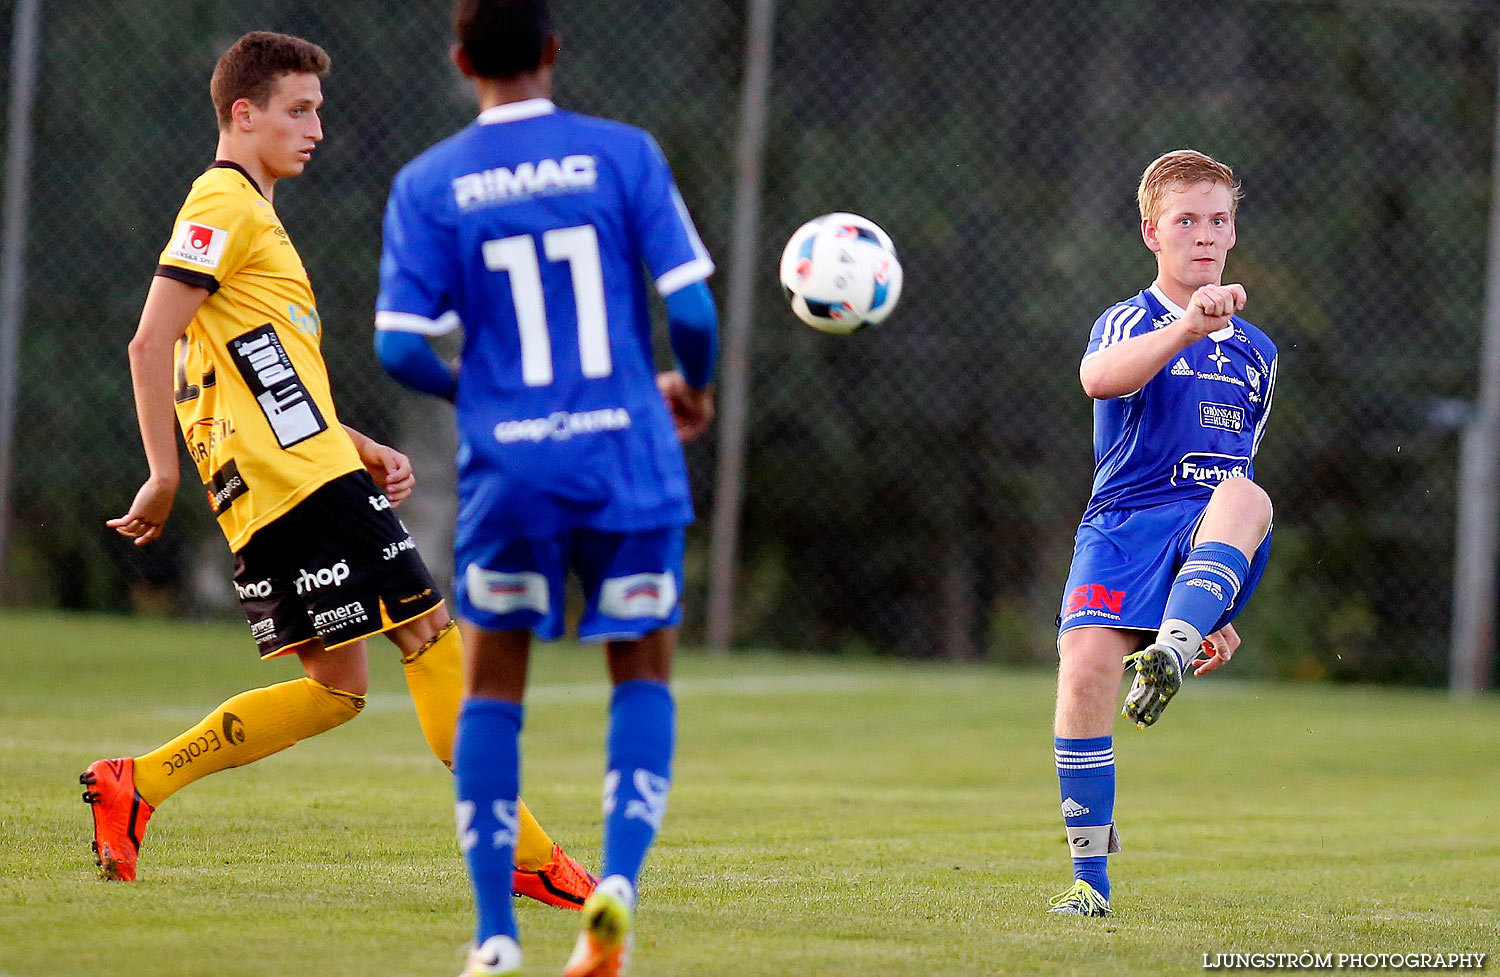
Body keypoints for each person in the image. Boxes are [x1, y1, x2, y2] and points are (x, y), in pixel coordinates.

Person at [83, 30, 594, 911]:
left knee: (338, 687)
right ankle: (521, 851)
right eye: (298, 109)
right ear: (242, 115)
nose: (316, 127)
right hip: (302, 489)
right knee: (432, 639)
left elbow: (257, 370)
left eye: (317, 109)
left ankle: (139, 783)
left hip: (283, 484)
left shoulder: (251, 215)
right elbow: (148, 338)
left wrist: (353, 440)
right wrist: (159, 472)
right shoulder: (224, 203)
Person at [373, 0, 719, 972]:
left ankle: (492, 933)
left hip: (510, 471)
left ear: (460, 61)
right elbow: (689, 305)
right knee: (641, 672)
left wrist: (478, 392)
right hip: (626, 460)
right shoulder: (622, 154)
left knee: (492, 688)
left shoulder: (429, 181)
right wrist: (689, 386)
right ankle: (614, 884)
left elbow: (399, 343)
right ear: (554, 52)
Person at [1047, 150, 1277, 917]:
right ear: (1152, 232)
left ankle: (1171, 649)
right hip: (1125, 522)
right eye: (1186, 220)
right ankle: (1090, 884)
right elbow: (1098, 379)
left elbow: (1240, 477)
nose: (1204, 235)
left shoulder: (1259, 354)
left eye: (1217, 220)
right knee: (1082, 674)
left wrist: (1221, 608)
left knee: (1246, 489)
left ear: (1234, 229)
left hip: (1207, 528)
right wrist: (1186, 327)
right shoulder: (1130, 319)